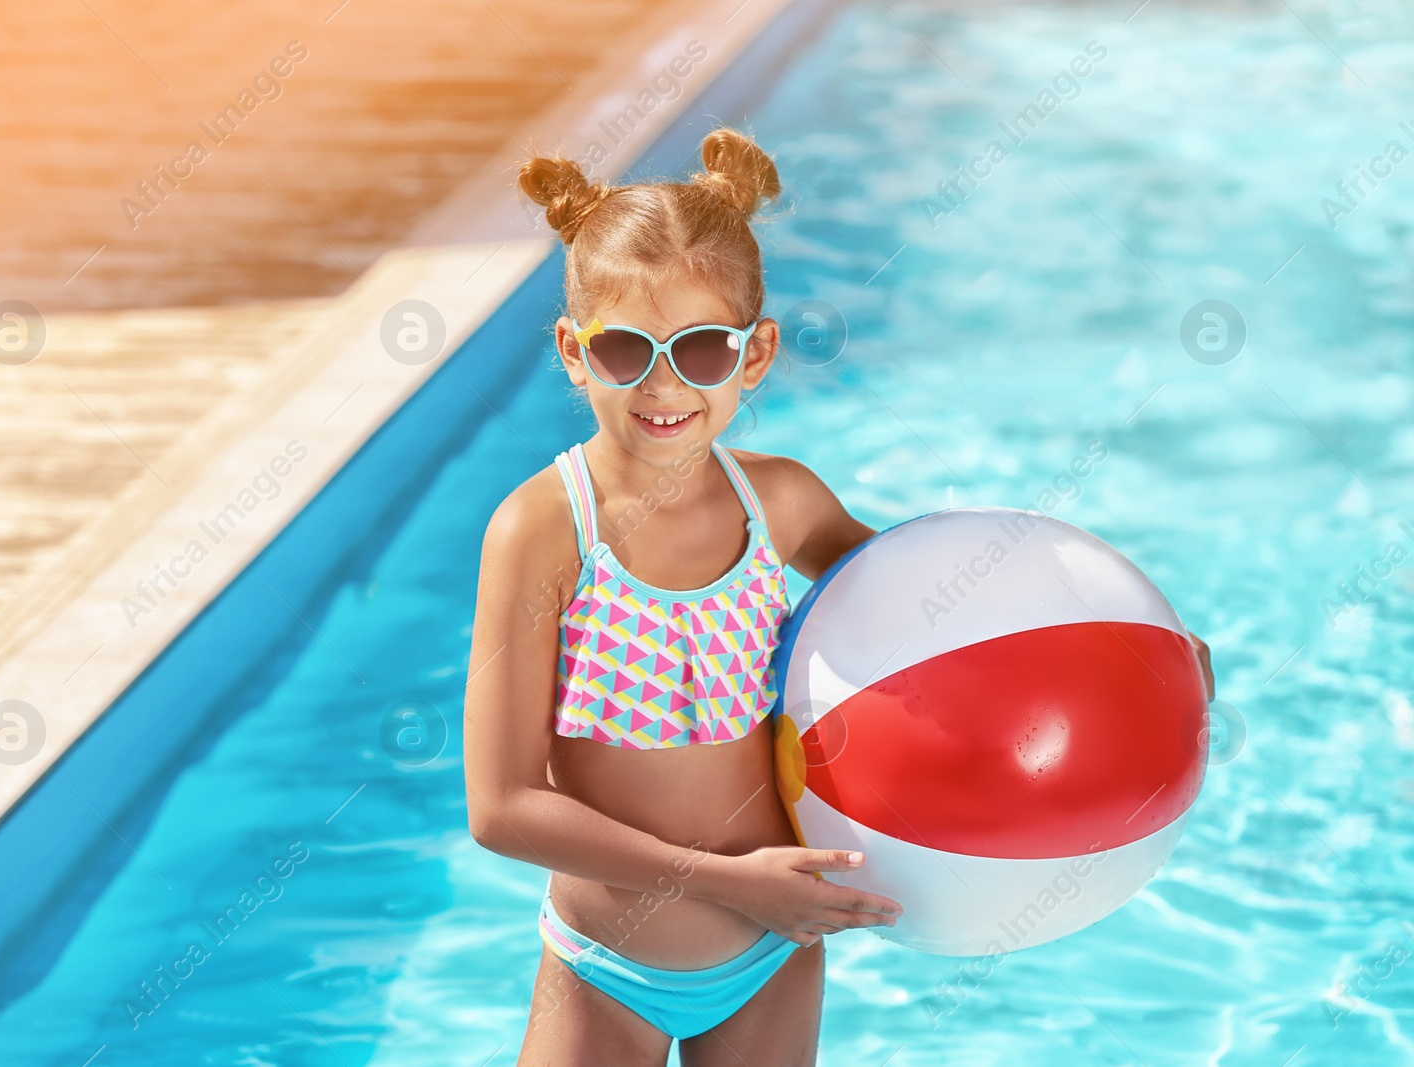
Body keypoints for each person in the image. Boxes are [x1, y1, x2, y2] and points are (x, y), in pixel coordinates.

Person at [461, 127, 1215, 1065]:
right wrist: (731, 880)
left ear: (757, 351)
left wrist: (1139, 664)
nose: (663, 385)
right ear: (574, 353)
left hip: (774, 952)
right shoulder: (543, 530)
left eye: (700, 350)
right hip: (609, 964)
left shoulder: (781, 503)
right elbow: (498, 807)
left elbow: (950, 621)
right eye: (625, 349)